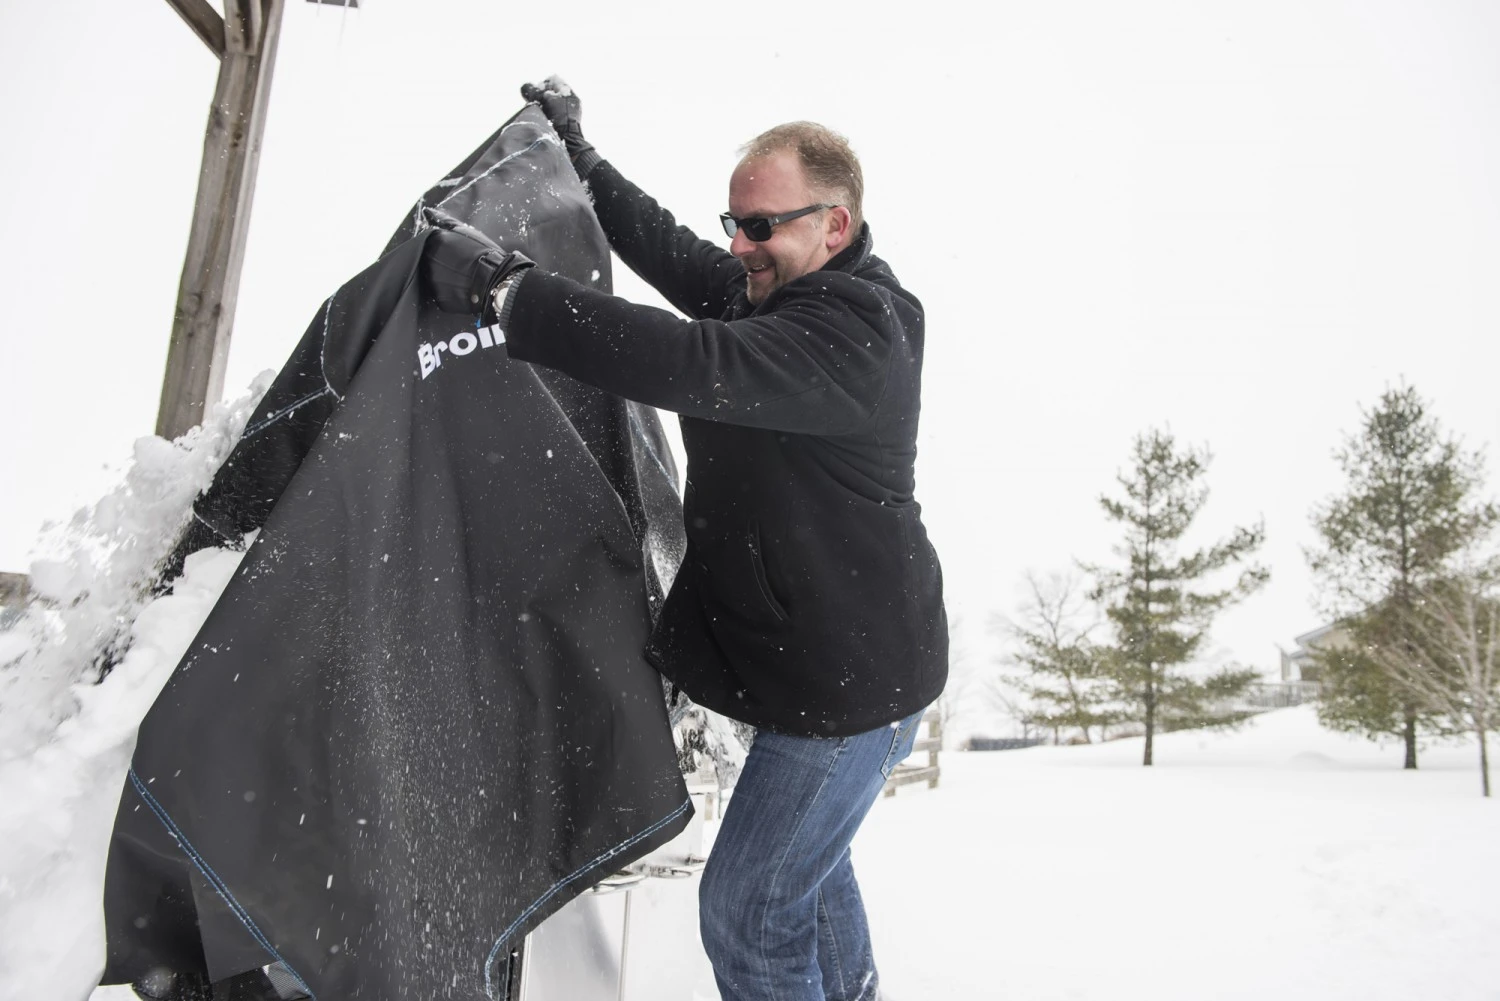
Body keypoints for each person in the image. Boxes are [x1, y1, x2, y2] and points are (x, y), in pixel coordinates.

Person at [423, 77, 947, 1001]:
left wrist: (510, 294)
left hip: (848, 691)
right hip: (817, 666)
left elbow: (687, 359)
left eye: (762, 226)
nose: (739, 246)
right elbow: (669, 247)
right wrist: (582, 158)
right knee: (806, 879)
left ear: (835, 225)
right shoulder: (773, 292)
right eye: (735, 223)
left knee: (749, 912)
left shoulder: (859, 330)